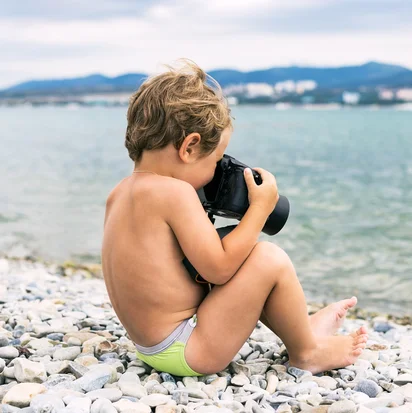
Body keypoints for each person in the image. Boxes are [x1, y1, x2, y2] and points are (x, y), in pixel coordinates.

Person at [101, 60, 368, 377]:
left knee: (238, 248)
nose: (216, 171)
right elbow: (220, 268)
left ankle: (301, 328)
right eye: (216, 160)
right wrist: (260, 208)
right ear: (190, 147)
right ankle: (307, 352)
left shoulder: (120, 193)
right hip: (188, 349)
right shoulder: (174, 194)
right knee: (267, 258)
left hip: (151, 346)